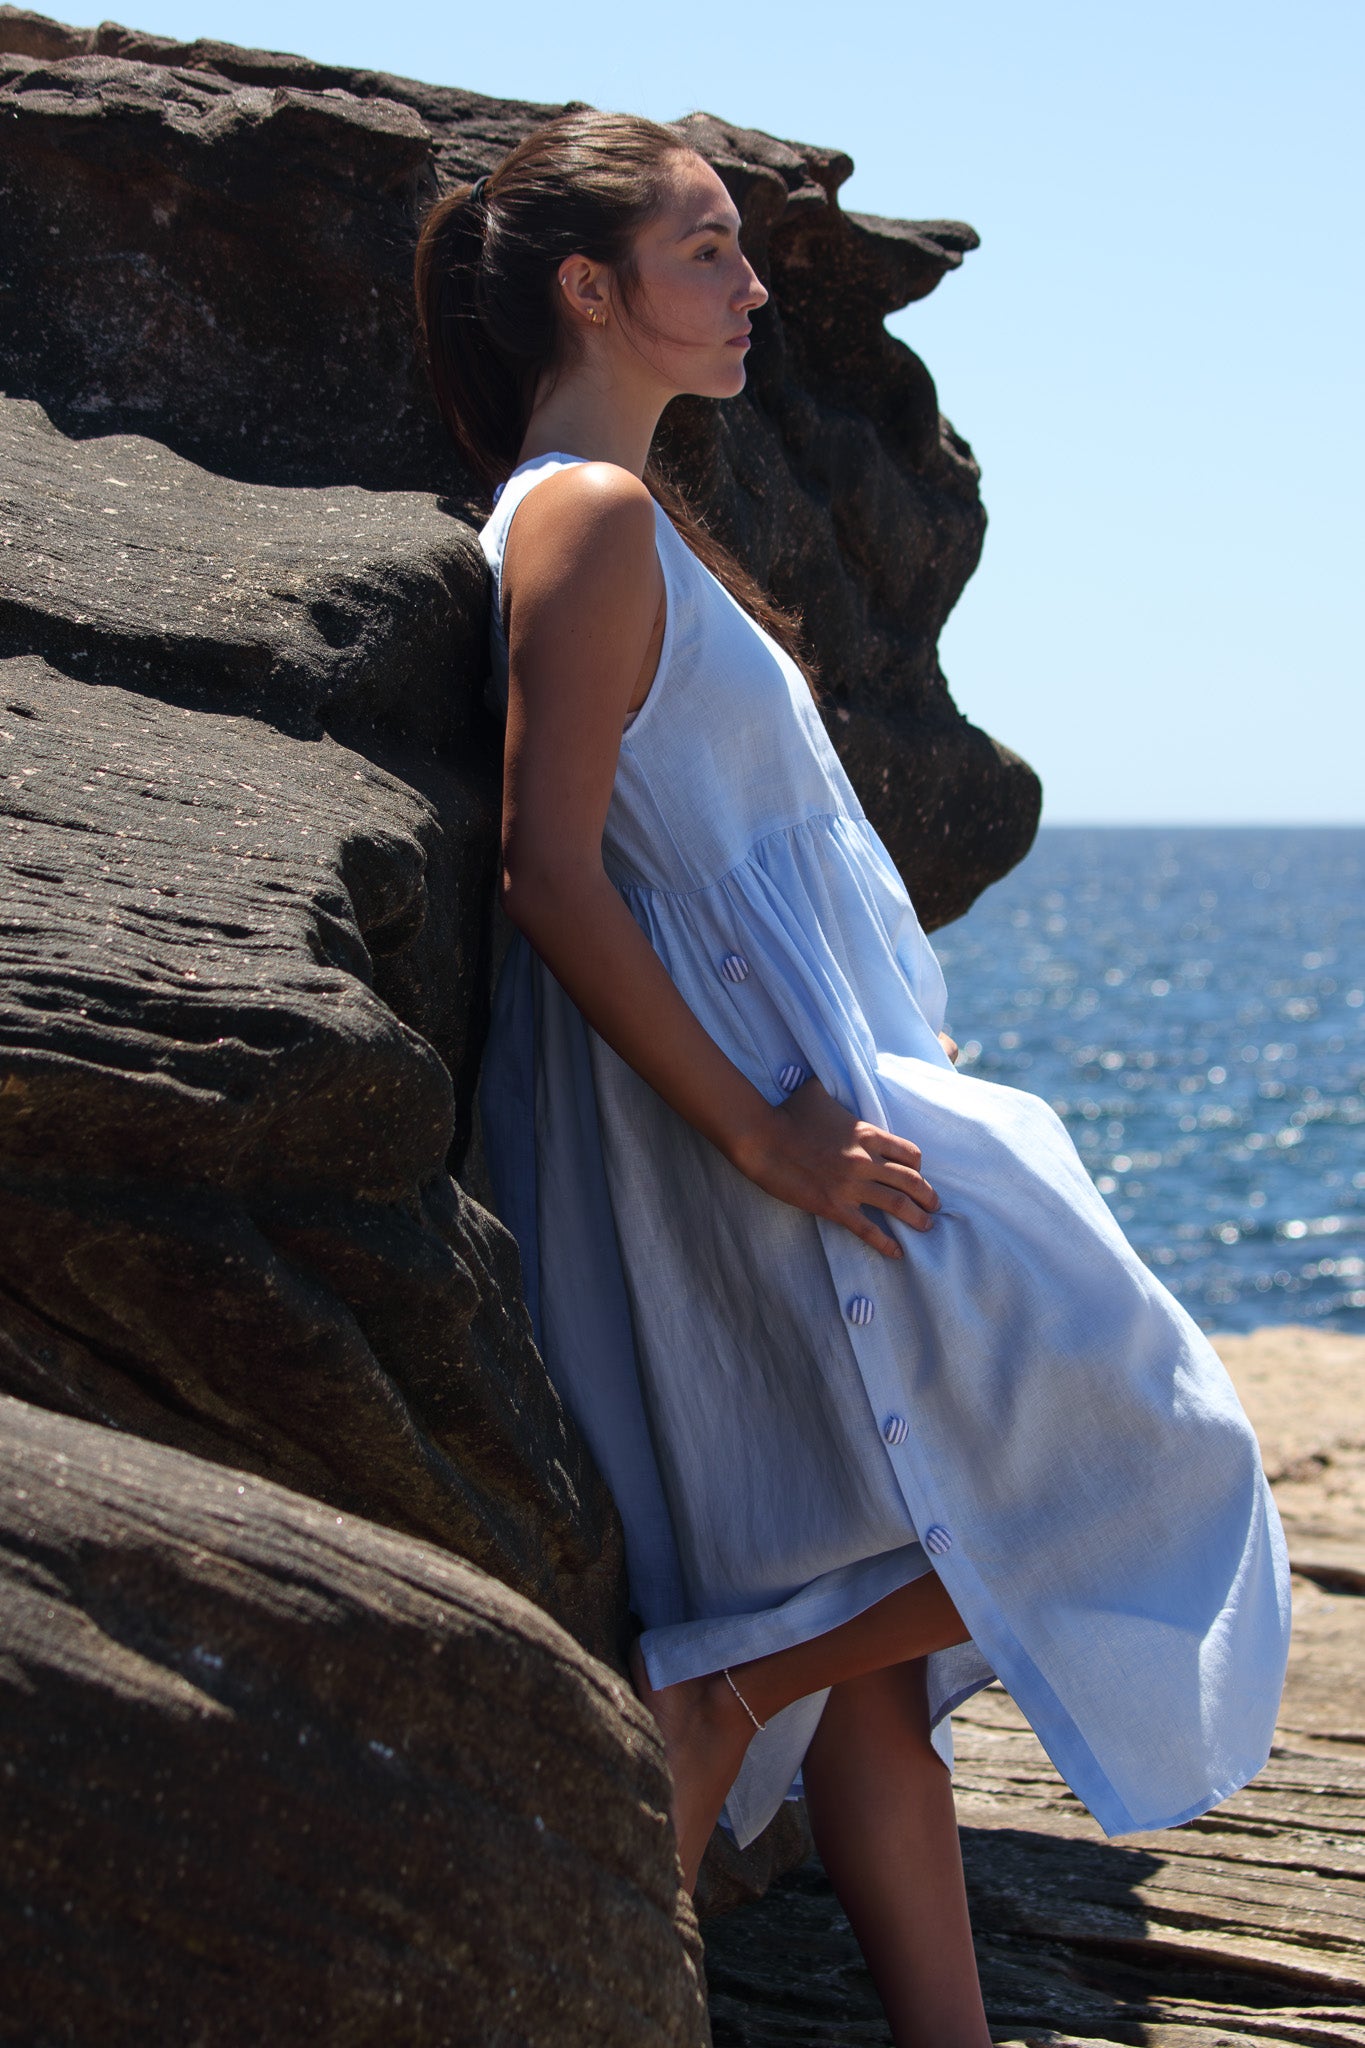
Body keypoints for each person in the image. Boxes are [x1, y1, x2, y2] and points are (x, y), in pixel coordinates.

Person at [413, 113, 1291, 2047]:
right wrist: (765, 1128)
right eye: (706, 250)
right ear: (591, 286)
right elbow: (549, 872)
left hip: (778, 1120)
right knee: (1150, 1447)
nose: (747, 288)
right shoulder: (587, 517)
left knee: (871, 1663)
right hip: (743, 1143)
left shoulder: (617, 511)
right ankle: (717, 1697)